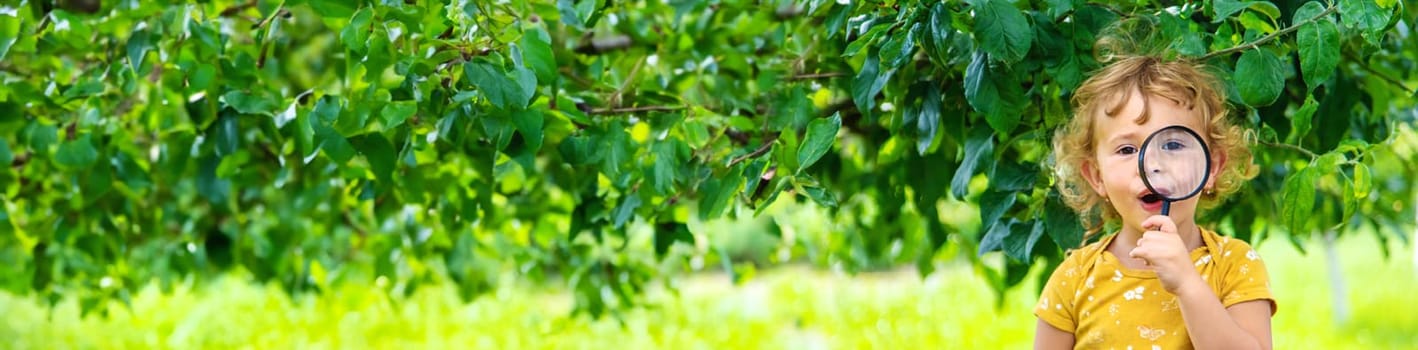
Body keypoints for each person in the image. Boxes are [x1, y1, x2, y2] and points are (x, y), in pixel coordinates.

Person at [1034, 53, 1275, 349]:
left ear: (1210, 167)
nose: (1153, 164)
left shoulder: (1234, 265)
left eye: (1173, 144)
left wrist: (1187, 284)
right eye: (1126, 149)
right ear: (1096, 177)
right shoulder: (1074, 278)